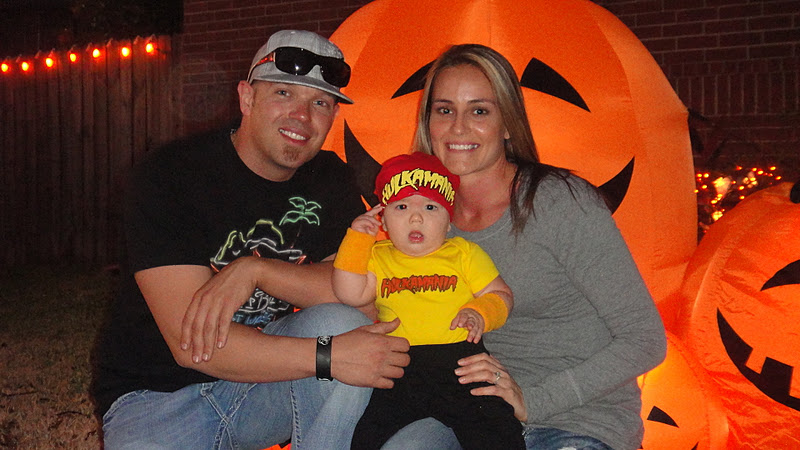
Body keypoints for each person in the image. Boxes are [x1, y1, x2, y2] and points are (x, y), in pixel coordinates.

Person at [91, 30, 410, 449]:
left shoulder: (329, 177)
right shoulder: (171, 175)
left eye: (320, 103)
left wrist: (256, 270)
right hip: (157, 401)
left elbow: (358, 296)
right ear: (246, 98)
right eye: (283, 93)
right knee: (343, 345)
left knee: (344, 323)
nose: (302, 116)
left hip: (262, 388)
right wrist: (329, 357)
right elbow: (193, 346)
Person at [380, 44, 667, 450]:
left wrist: (535, 401)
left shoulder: (559, 202)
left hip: (575, 419)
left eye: (479, 111)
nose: (458, 128)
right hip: (471, 416)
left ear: (507, 124)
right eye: (444, 110)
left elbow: (645, 339)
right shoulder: (419, 218)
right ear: (428, 122)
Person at [332, 152, 524, 449]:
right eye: (402, 206)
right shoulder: (378, 256)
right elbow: (349, 293)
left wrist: (480, 312)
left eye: (431, 207)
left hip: (461, 364)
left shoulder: (463, 253)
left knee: (496, 430)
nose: (416, 217)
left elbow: (502, 295)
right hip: (399, 366)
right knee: (368, 436)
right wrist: (357, 241)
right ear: (384, 220)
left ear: (448, 222)